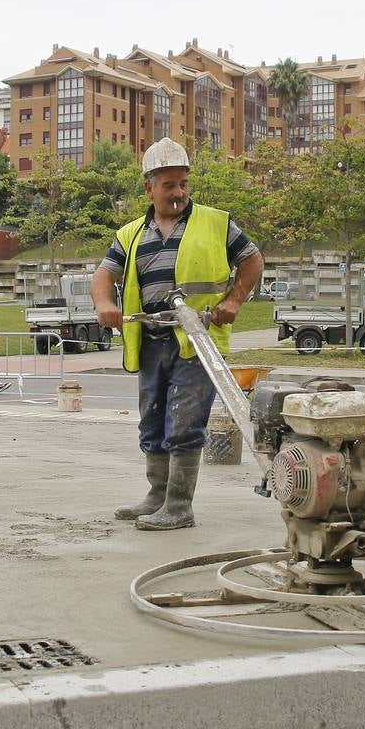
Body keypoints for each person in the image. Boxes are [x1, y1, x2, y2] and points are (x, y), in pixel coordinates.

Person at [91, 137, 264, 530]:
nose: (179, 192)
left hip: (197, 342)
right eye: (169, 185)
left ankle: (179, 505)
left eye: (183, 184)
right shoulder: (131, 234)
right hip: (152, 340)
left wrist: (235, 300)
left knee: (185, 422)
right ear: (148, 187)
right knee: (151, 421)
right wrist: (104, 304)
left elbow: (252, 260)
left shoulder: (216, 222)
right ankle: (157, 495)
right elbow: (104, 275)